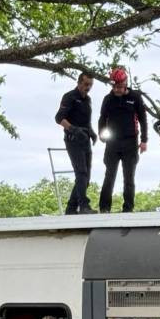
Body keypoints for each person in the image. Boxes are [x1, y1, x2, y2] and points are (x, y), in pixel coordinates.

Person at [97, 67, 148, 213]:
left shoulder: (135, 97)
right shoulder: (108, 99)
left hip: (130, 142)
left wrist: (144, 140)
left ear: (125, 84)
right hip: (112, 143)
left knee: (129, 177)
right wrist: (101, 133)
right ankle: (104, 207)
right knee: (110, 175)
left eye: (119, 87)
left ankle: (128, 208)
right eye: (114, 87)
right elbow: (102, 118)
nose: (117, 90)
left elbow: (143, 119)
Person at [55, 72, 97, 215]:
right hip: (73, 140)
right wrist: (73, 129)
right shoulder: (70, 97)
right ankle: (83, 205)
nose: (88, 87)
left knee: (86, 177)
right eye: (85, 84)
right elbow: (59, 118)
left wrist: (91, 132)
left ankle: (71, 209)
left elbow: (86, 121)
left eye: (90, 85)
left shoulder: (88, 100)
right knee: (81, 173)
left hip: (85, 139)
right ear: (79, 83)